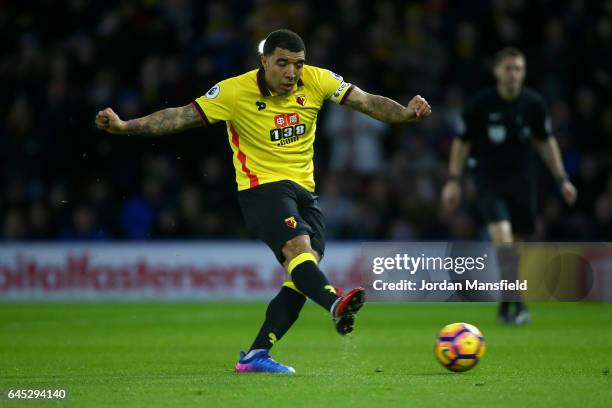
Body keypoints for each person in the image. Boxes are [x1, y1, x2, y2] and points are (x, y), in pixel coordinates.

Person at [96, 29, 431, 373]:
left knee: (303, 272)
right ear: (264, 61)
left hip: (305, 192)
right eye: (282, 63)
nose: (291, 72)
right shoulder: (233, 91)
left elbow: (367, 101)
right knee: (298, 250)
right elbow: (179, 116)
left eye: (298, 64)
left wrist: (405, 114)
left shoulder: (317, 80)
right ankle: (335, 303)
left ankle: (256, 355)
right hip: (262, 189)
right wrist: (126, 126)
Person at [441, 47, 577, 324]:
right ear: (497, 71)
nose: (513, 74)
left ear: (524, 72)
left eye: (518, 69)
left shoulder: (533, 104)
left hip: (523, 183)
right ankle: (517, 302)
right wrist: (454, 180)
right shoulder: (480, 104)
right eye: (508, 68)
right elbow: (462, 141)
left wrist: (562, 179)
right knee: (503, 240)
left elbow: (545, 141)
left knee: (515, 248)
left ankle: (507, 301)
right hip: (488, 181)